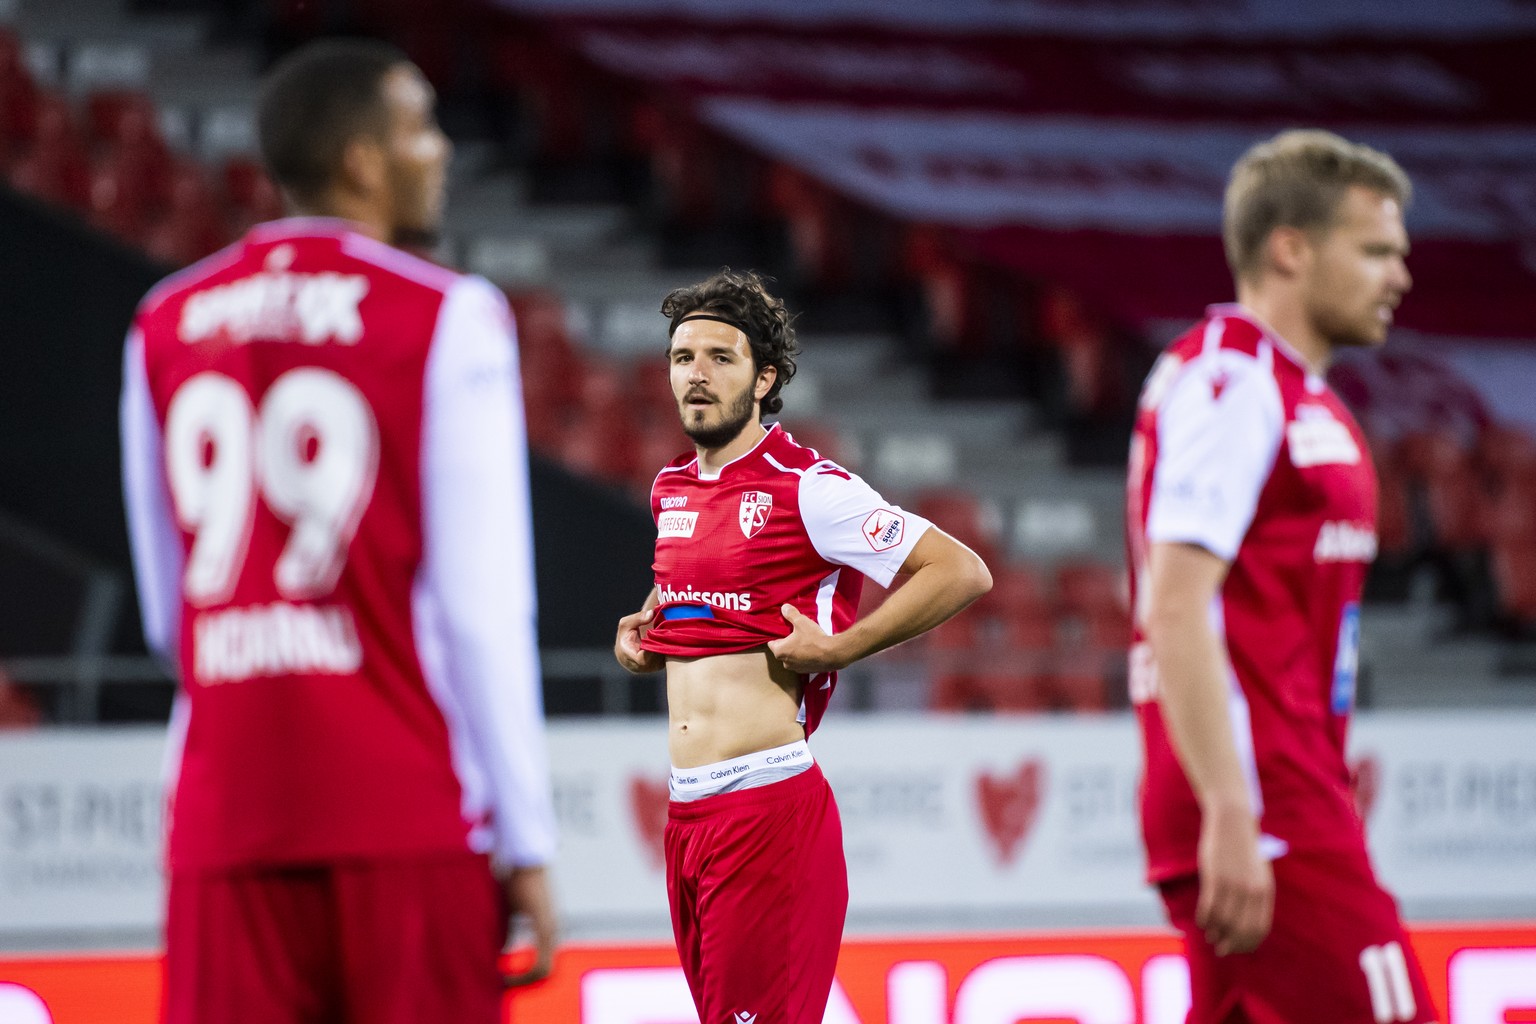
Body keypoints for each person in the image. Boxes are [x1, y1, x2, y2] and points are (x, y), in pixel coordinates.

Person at [120, 39, 557, 1024]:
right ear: (363, 159)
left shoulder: (162, 319)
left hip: (225, 821)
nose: (440, 152)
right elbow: (485, 610)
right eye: (420, 128)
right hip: (407, 814)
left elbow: (166, 612)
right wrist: (526, 839)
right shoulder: (449, 314)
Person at [613, 269, 992, 1024]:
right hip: (687, 817)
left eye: (722, 357)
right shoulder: (670, 490)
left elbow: (960, 570)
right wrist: (641, 641)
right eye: (683, 356)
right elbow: (690, 612)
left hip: (766, 813)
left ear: (766, 378)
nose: (696, 374)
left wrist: (845, 647)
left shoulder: (806, 488)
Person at [1126, 129, 1437, 1023]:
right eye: (1375, 250)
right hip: (1265, 803)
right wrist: (1233, 808)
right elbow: (1176, 605)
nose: (1399, 275)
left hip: (1292, 788)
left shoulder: (1297, 395)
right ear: (1290, 249)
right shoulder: (1235, 382)